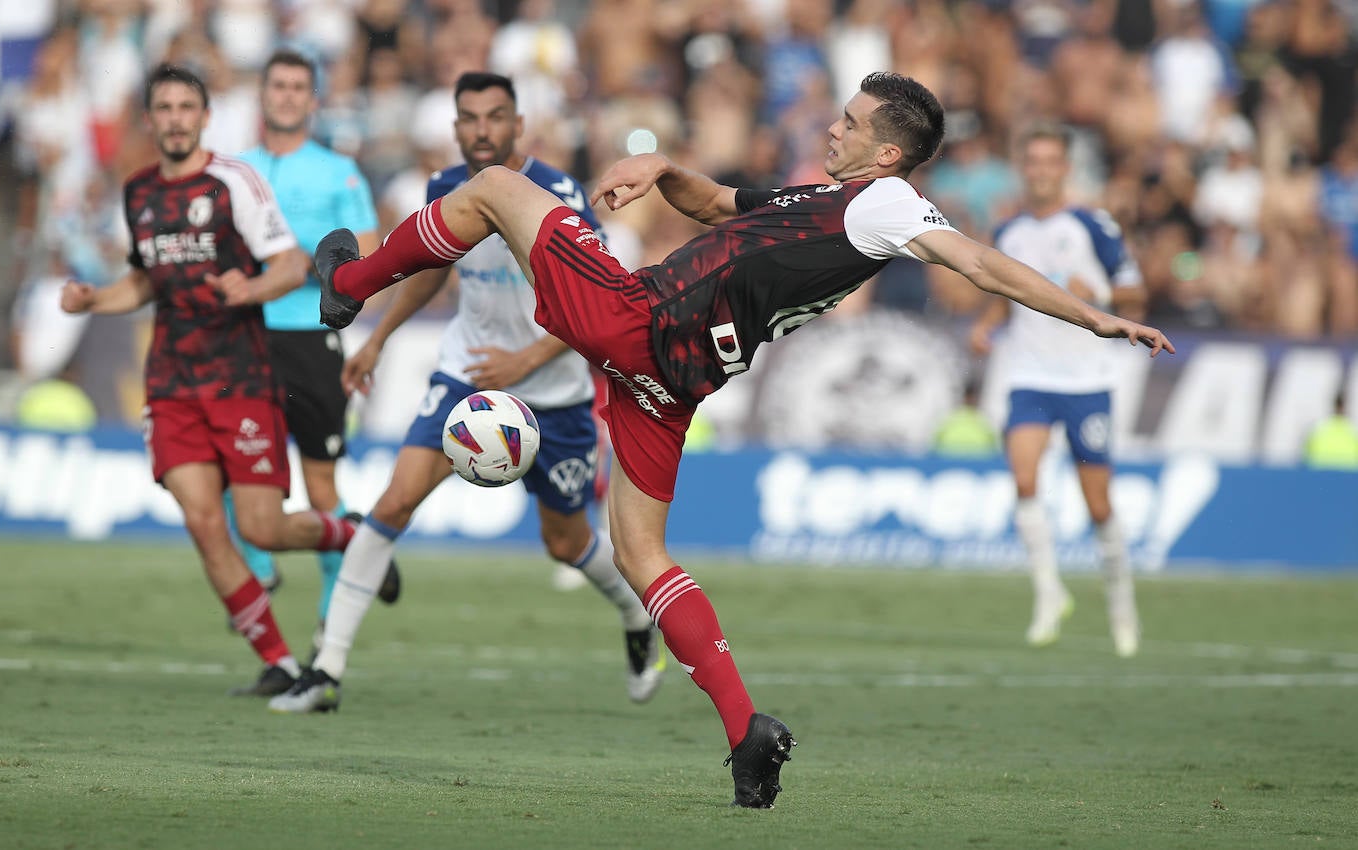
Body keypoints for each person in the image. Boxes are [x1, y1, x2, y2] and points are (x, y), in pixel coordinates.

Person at [309, 72, 1174, 808]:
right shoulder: (830, 200)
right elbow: (717, 203)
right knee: (642, 554)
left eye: (851, 122)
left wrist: (1091, 314)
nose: (832, 127)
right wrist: (664, 168)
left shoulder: (886, 205)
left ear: (887, 155)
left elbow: (982, 264)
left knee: (494, 188)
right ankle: (746, 733)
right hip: (675, 380)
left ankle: (346, 285)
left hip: (641, 321)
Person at [269, 71, 666, 714]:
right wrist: (380, 339)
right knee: (394, 501)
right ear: (455, 129)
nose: (482, 129)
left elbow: (599, 304)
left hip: (552, 391)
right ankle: (326, 668)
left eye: (495, 116)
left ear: (518, 126)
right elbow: (427, 269)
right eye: (470, 118)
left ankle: (634, 614)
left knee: (564, 541)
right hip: (468, 379)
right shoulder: (444, 189)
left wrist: (525, 359)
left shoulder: (559, 193)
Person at [59, 64, 368, 697]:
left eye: (185, 107)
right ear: (151, 119)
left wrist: (248, 288)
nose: (174, 117)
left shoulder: (235, 182)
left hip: (240, 377)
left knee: (262, 528)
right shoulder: (139, 191)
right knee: (204, 523)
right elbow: (146, 279)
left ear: (204, 117)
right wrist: (94, 299)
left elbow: (287, 264)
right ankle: (279, 661)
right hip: (172, 380)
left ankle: (352, 535)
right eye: (163, 107)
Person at [233, 49, 399, 640]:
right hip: (246, 337)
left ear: (313, 100)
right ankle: (258, 567)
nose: (285, 96)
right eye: (277, 85)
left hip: (311, 337)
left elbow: (370, 244)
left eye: (297, 87)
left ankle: (330, 626)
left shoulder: (338, 172)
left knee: (320, 482)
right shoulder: (236, 170)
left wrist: (309, 266)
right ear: (263, 94)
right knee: (229, 465)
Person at [968, 122, 1147, 658]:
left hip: (1087, 379)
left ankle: (1121, 603)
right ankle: (1049, 594)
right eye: (1034, 161)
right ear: (1025, 168)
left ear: (1065, 169)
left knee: (1098, 506)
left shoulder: (1093, 224)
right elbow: (1006, 287)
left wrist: (1104, 293)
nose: (1042, 171)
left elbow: (1136, 293)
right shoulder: (1008, 231)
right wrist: (988, 321)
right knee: (1024, 480)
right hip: (1029, 374)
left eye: (1051, 162)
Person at [1304, 393, 1358, 470]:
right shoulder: (1353, 430)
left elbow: (1306, 455)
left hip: (1322, 474)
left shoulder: (1319, 428)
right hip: (1347, 475)